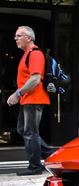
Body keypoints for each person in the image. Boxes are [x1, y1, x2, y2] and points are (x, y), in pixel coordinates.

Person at [6, 26, 53, 175]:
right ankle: (52, 156)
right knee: (23, 130)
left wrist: (17, 94)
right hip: (28, 99)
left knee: (31, 132)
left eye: (18, 36)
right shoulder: (27, 54)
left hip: (34, 98)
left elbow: (35, 79)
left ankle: (35, 167)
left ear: (29, 38)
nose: (15, 38)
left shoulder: (35, 54)